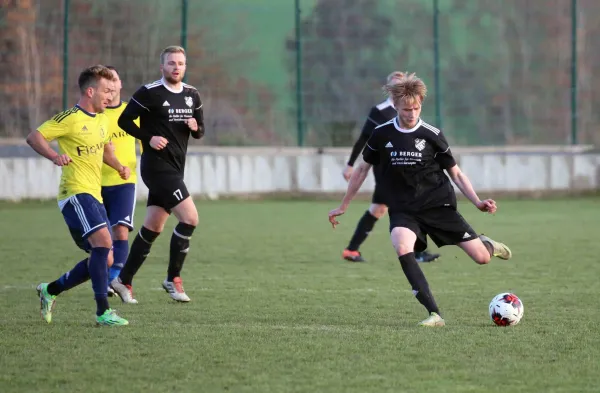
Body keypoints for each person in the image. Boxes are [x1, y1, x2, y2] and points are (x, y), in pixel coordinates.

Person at [328, 72, 512, 327]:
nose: (411, 113)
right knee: (402, 246)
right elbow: (361, 170)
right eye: (406, 109)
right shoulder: (381, 134)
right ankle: (434, 314)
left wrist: (478, 202)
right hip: (404, 208)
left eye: (416, 108)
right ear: (395, 106)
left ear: (421, 105)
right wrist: (343, 205)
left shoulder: (432, 134)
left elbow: (456, 173)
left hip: (437, 204)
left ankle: (488, 245)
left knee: (481, 258)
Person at [26, 65, 131, 326]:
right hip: (74, 193)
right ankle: (102, 311)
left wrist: (118, 166)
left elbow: (106, 150)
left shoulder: (104, 120)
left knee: (106, 258)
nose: (111, 96)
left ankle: (50, 290)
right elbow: (34, 137)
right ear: (90, 91)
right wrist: (54, 155)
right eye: (107, 91)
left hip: (94, 194)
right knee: (105, 243)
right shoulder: (70, 118)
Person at [110, 45, 204, 303]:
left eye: (181, 63)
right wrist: (148, 138)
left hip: (176, 168)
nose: (177, 67)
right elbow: (124, 121)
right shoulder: (149, 92)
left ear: (185, 66)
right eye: (172, 63)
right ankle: (172, 279)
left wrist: (196, 127)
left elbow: (200, 130)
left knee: (153, 226)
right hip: (156, 168)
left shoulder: (192, 95)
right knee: (190, 218)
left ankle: (123, 280)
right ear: (162, 67)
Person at [341, 71, 440, 264]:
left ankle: (352, 250)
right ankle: (417, 252)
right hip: (386, 168)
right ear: (390, 90)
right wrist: (351, 164)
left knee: (380, 209)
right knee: (409, 204)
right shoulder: (379, 111)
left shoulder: (408, 109)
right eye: (396, 87)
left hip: (406, 168)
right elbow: (364, 138)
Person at [101, 66, 140, 297]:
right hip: (95, 183)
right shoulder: (96, 114)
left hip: (125, 182)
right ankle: (106, 279)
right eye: (106, 80)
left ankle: (115, 280)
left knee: (121, 231)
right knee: (103, 238)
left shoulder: (131, 112)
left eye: (114, 79)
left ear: (120, 83)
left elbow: (146, 143)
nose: (111, 84)